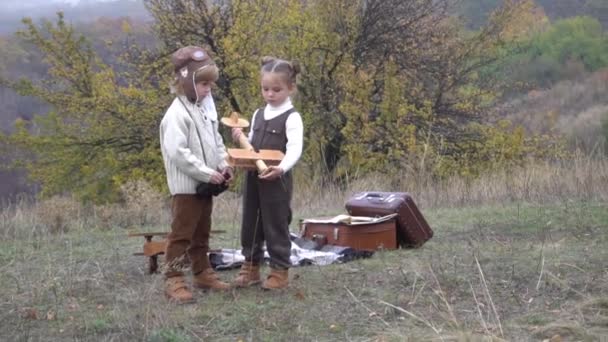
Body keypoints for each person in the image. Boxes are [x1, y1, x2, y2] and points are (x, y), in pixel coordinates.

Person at [159, 46, 234, 303]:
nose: (208, 89)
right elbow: (178, 153)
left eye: (210, 84)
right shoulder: (176, 115)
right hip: (187, 188)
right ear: (186, 82)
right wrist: (205, 173)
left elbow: (217, 142)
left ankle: (202, 273)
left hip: (206, 186)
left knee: (202, 232)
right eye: (203, 83)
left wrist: (224, 165)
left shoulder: (205, 111)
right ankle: (174, 279)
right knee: (182, 234)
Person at [231, 56, 304, 290]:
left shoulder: (292, 117)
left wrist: (281, 169)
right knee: (250, 221)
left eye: (276, 89)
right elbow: (252, 142)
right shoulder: (257, 114)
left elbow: (295, 149)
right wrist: (240, 138)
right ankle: (251, 266)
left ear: (290, 88)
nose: (270, 94)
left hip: (277, 179)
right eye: (265, 89)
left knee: (275, 222)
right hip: (254, 177)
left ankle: (279, 270)